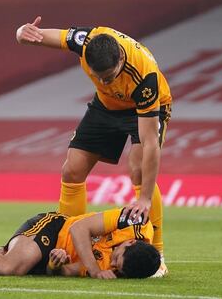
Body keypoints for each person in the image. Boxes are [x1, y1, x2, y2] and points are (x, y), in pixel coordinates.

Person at [15, 18, 171, 277]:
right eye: (98, 77)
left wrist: (143, 198)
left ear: (120, 60)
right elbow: (40, 35)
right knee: (72, 170)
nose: (104, 81)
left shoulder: (145, 78)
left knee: (138, 170)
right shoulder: (86, 42)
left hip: (144, 110)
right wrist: (23, 33)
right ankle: (64, 243)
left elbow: (151, 143)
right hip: (106, 106)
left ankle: (158, 253)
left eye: (108, 77)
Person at [0, 207, 160, 279]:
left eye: (117, 268)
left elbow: (64, 271)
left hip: (54, 253)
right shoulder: (133, 222)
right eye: (117, 256)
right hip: (54, 228)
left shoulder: (118, 270)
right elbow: (81, 227)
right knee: (11, 267)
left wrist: (58, 265)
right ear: (130, 243)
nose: (112, 263)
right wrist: (94, 270)